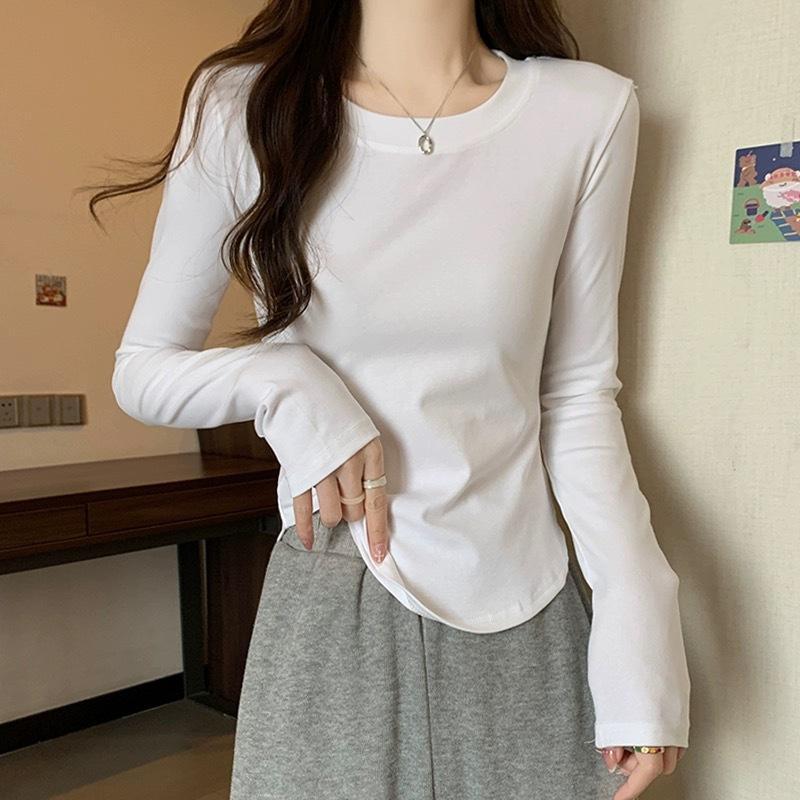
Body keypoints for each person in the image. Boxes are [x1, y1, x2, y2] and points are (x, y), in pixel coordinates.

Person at [91, 1, 691, 797]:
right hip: (334, 594)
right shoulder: (244, 104)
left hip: (523, 603)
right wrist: (288, 382)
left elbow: (577, 394)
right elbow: (142, 370)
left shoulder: (586, 112)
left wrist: (641, 641)